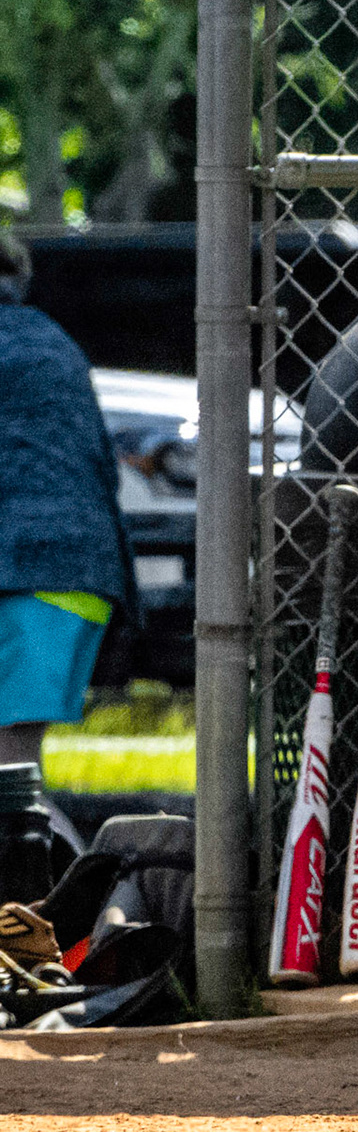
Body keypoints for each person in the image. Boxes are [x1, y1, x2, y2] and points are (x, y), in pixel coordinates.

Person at [0, 235, 137, 778]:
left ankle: (72, 864)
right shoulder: (50, 340)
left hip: (24, 573)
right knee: (14, 763)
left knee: (8, 771)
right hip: (75, 578)